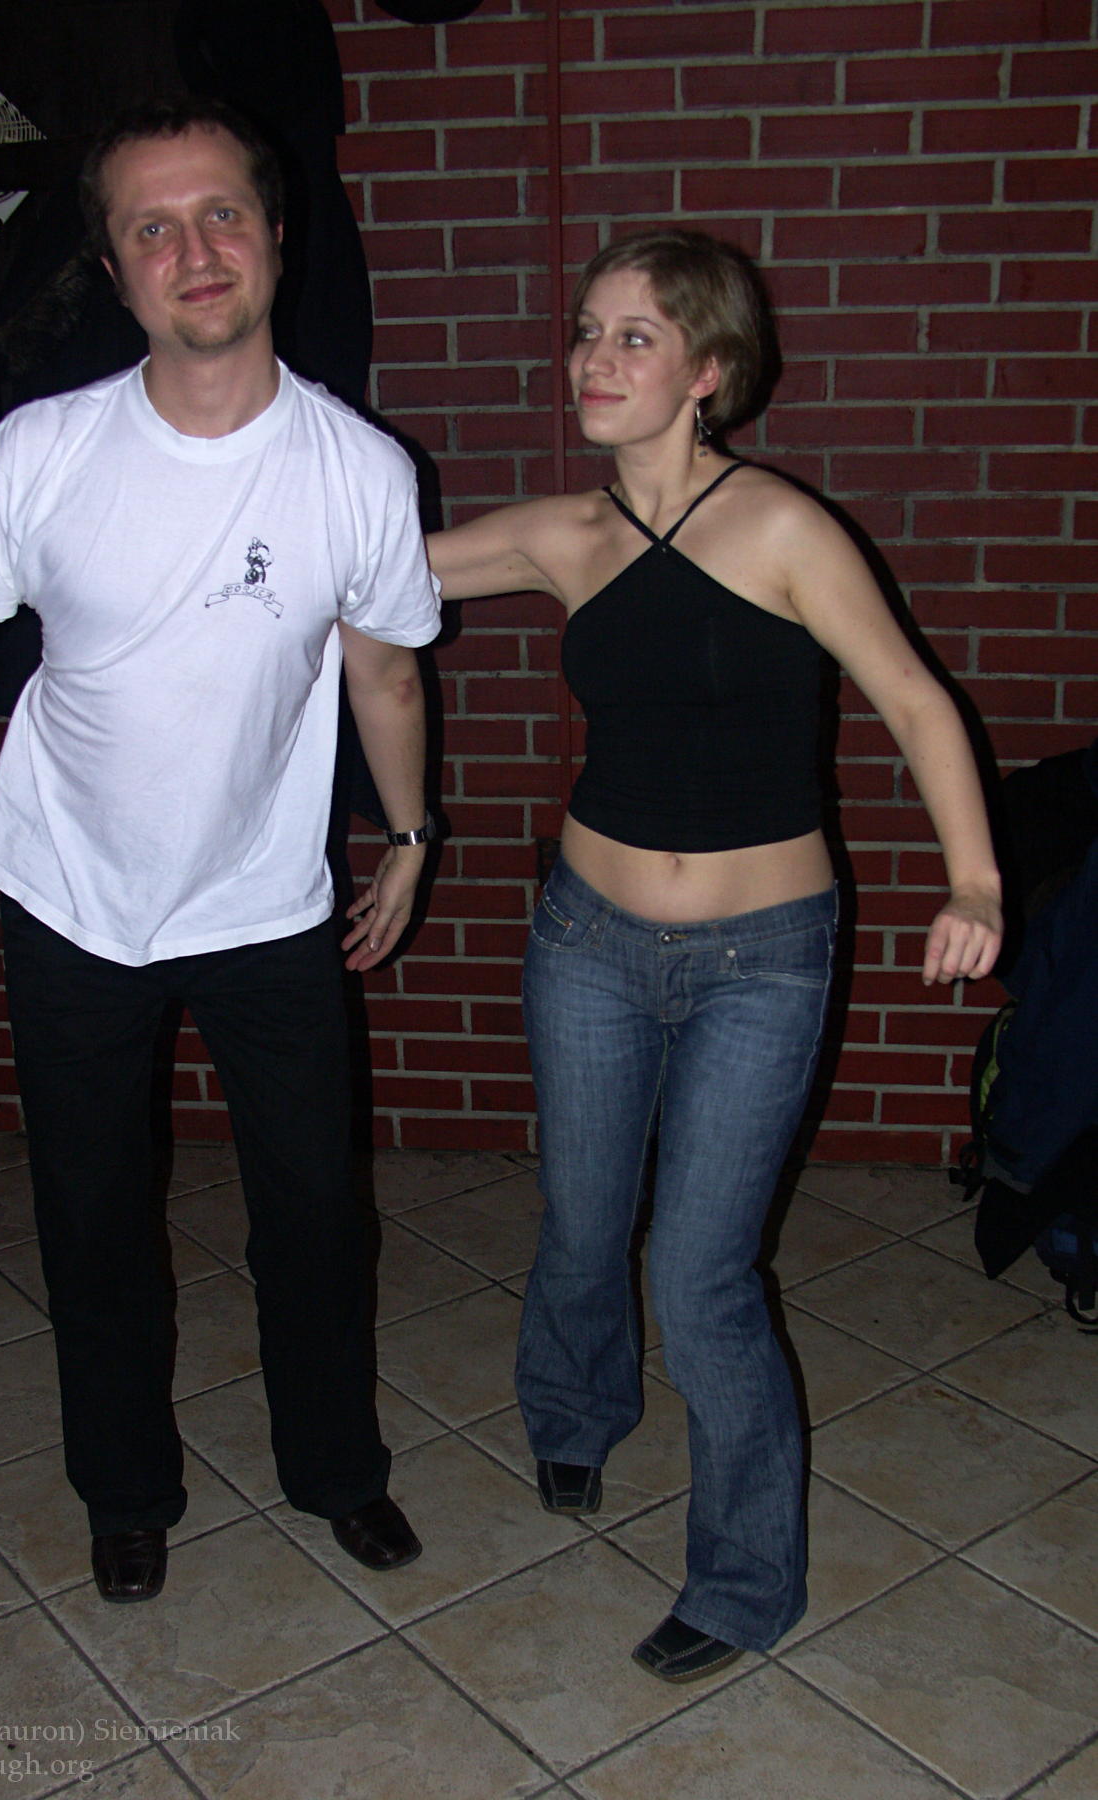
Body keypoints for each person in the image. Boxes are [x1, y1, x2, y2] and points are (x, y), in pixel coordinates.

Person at [0, 96, 439, 1602]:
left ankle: (336, 1470)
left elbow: (383, 671)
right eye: (152, 227)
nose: (194, 249)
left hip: (266, 899)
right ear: (113, 270)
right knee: (93, 1218)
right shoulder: (41, 451)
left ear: (276, 236)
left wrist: (410, 834)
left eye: (221, 212)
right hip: (71, 896)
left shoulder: (360, 467)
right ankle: (126, 1489)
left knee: (315, 1213)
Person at [425, 229, 1002, 1680]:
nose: (593, 359)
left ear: (709, 372)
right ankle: (574, 1414)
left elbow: (915, 700)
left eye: (635, 336)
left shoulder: (782, 528)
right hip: (586, 939)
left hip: (763, 959)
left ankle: (744, 1583)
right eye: (585, 330)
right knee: (580, 1218)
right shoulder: (565, 535)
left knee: (699, 1276)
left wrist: (975, 881)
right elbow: (356, 567)